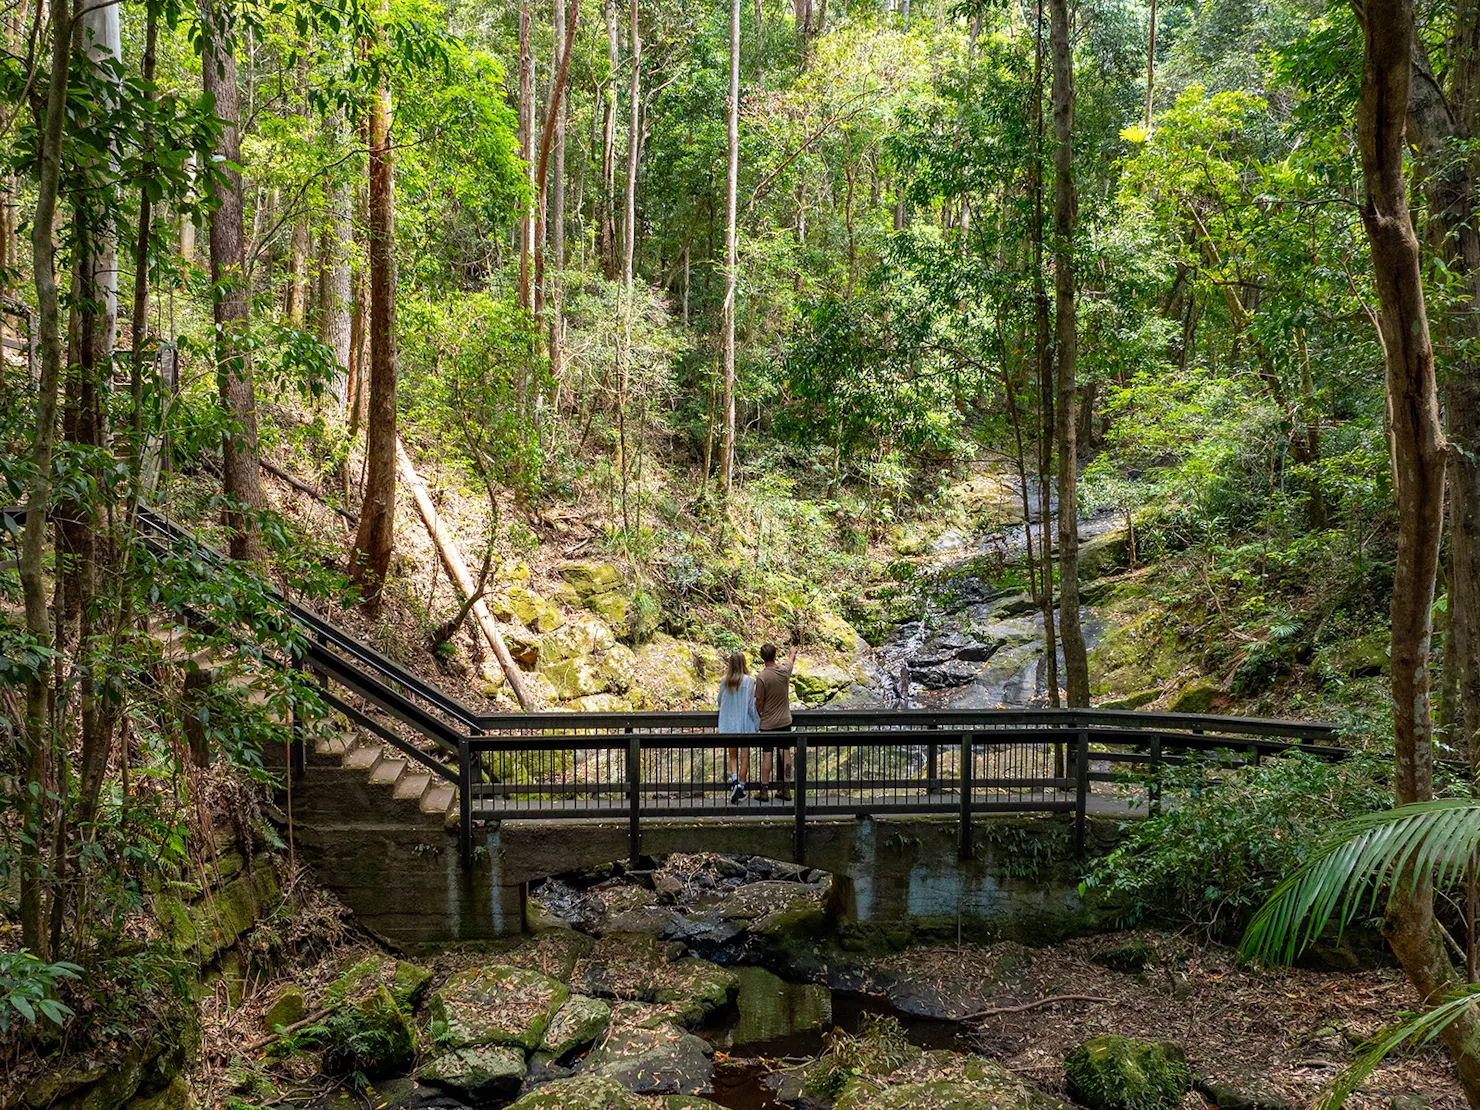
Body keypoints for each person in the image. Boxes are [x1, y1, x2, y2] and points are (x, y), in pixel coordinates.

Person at [753, 642, 798, 801]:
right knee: (785, 752)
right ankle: (786, 788)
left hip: (768, 723)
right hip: (785, 720)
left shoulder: (762, 677)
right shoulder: (784, 670)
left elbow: (759, 701)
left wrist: (759, 713)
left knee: (767, 754)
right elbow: (791, 659)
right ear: (775, 654)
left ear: (762, 657)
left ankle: (764, 790)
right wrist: (792, 651)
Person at [717, 652, 759, 803]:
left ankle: (735, 783)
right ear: (743, 663)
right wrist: (756, 722)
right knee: (744, 756)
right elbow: (750, 705)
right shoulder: (749, 681)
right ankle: (741, 786)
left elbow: (719, 701)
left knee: (732, 755)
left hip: (729, 724)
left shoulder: (724, 680)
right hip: (745, 723)